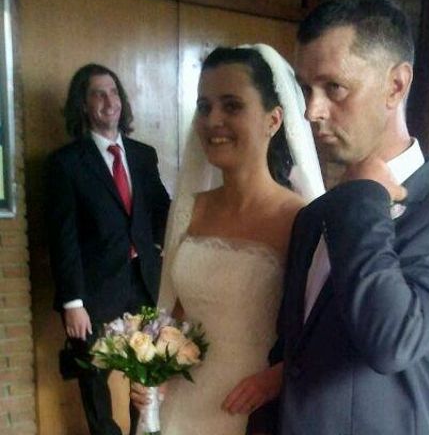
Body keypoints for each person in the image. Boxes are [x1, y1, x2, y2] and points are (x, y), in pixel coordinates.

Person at [270, 0, 429, 435]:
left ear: (396, 85)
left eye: (334, 88)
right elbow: (296, 353)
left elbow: (390, 341)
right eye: (305, 89)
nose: (311, 111)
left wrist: (363, 198)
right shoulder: (313, 216)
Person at [130, 44, 324, 435]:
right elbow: (177, 308)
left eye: (232, 106)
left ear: (273, 119)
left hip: (252, 408)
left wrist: (278, 376)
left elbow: (323, 332)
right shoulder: (189, 208)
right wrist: (154, 365)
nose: (212, 120)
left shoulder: (300, 218)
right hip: (183, 404)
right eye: (204, 107)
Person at [46, 64, 171, 435]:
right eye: (98, 94)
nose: (109, 101)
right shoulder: (66, 164)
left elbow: (162, 210)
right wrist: (73, 303)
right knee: (95, 379)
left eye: (114, 92)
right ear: (83, 106)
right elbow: (61, 237)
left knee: (144, 373)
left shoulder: (143, 155)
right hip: (94, 292)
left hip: (143, 283)